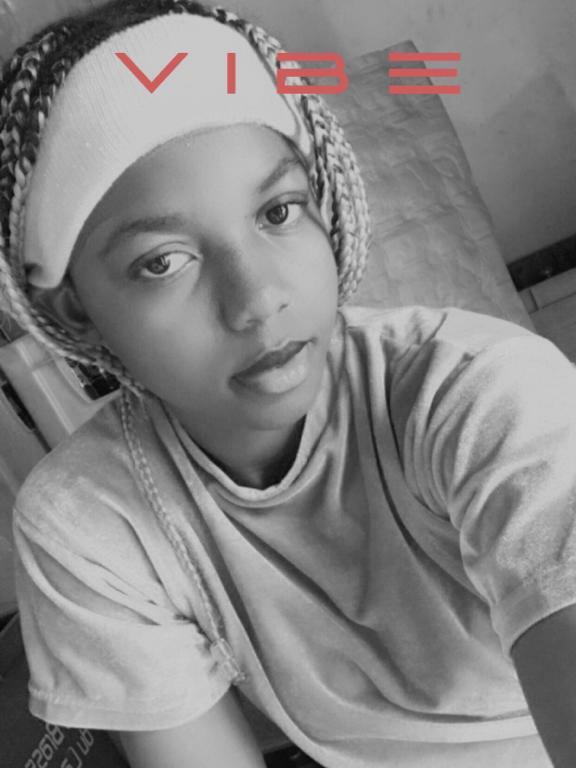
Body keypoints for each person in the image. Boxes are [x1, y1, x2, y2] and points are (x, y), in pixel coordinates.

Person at [2, 1, 576, 766]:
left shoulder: (483, 395)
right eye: (162, 261)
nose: (258, 299)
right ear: (75, 308)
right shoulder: (89, 525)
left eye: (278, 212)